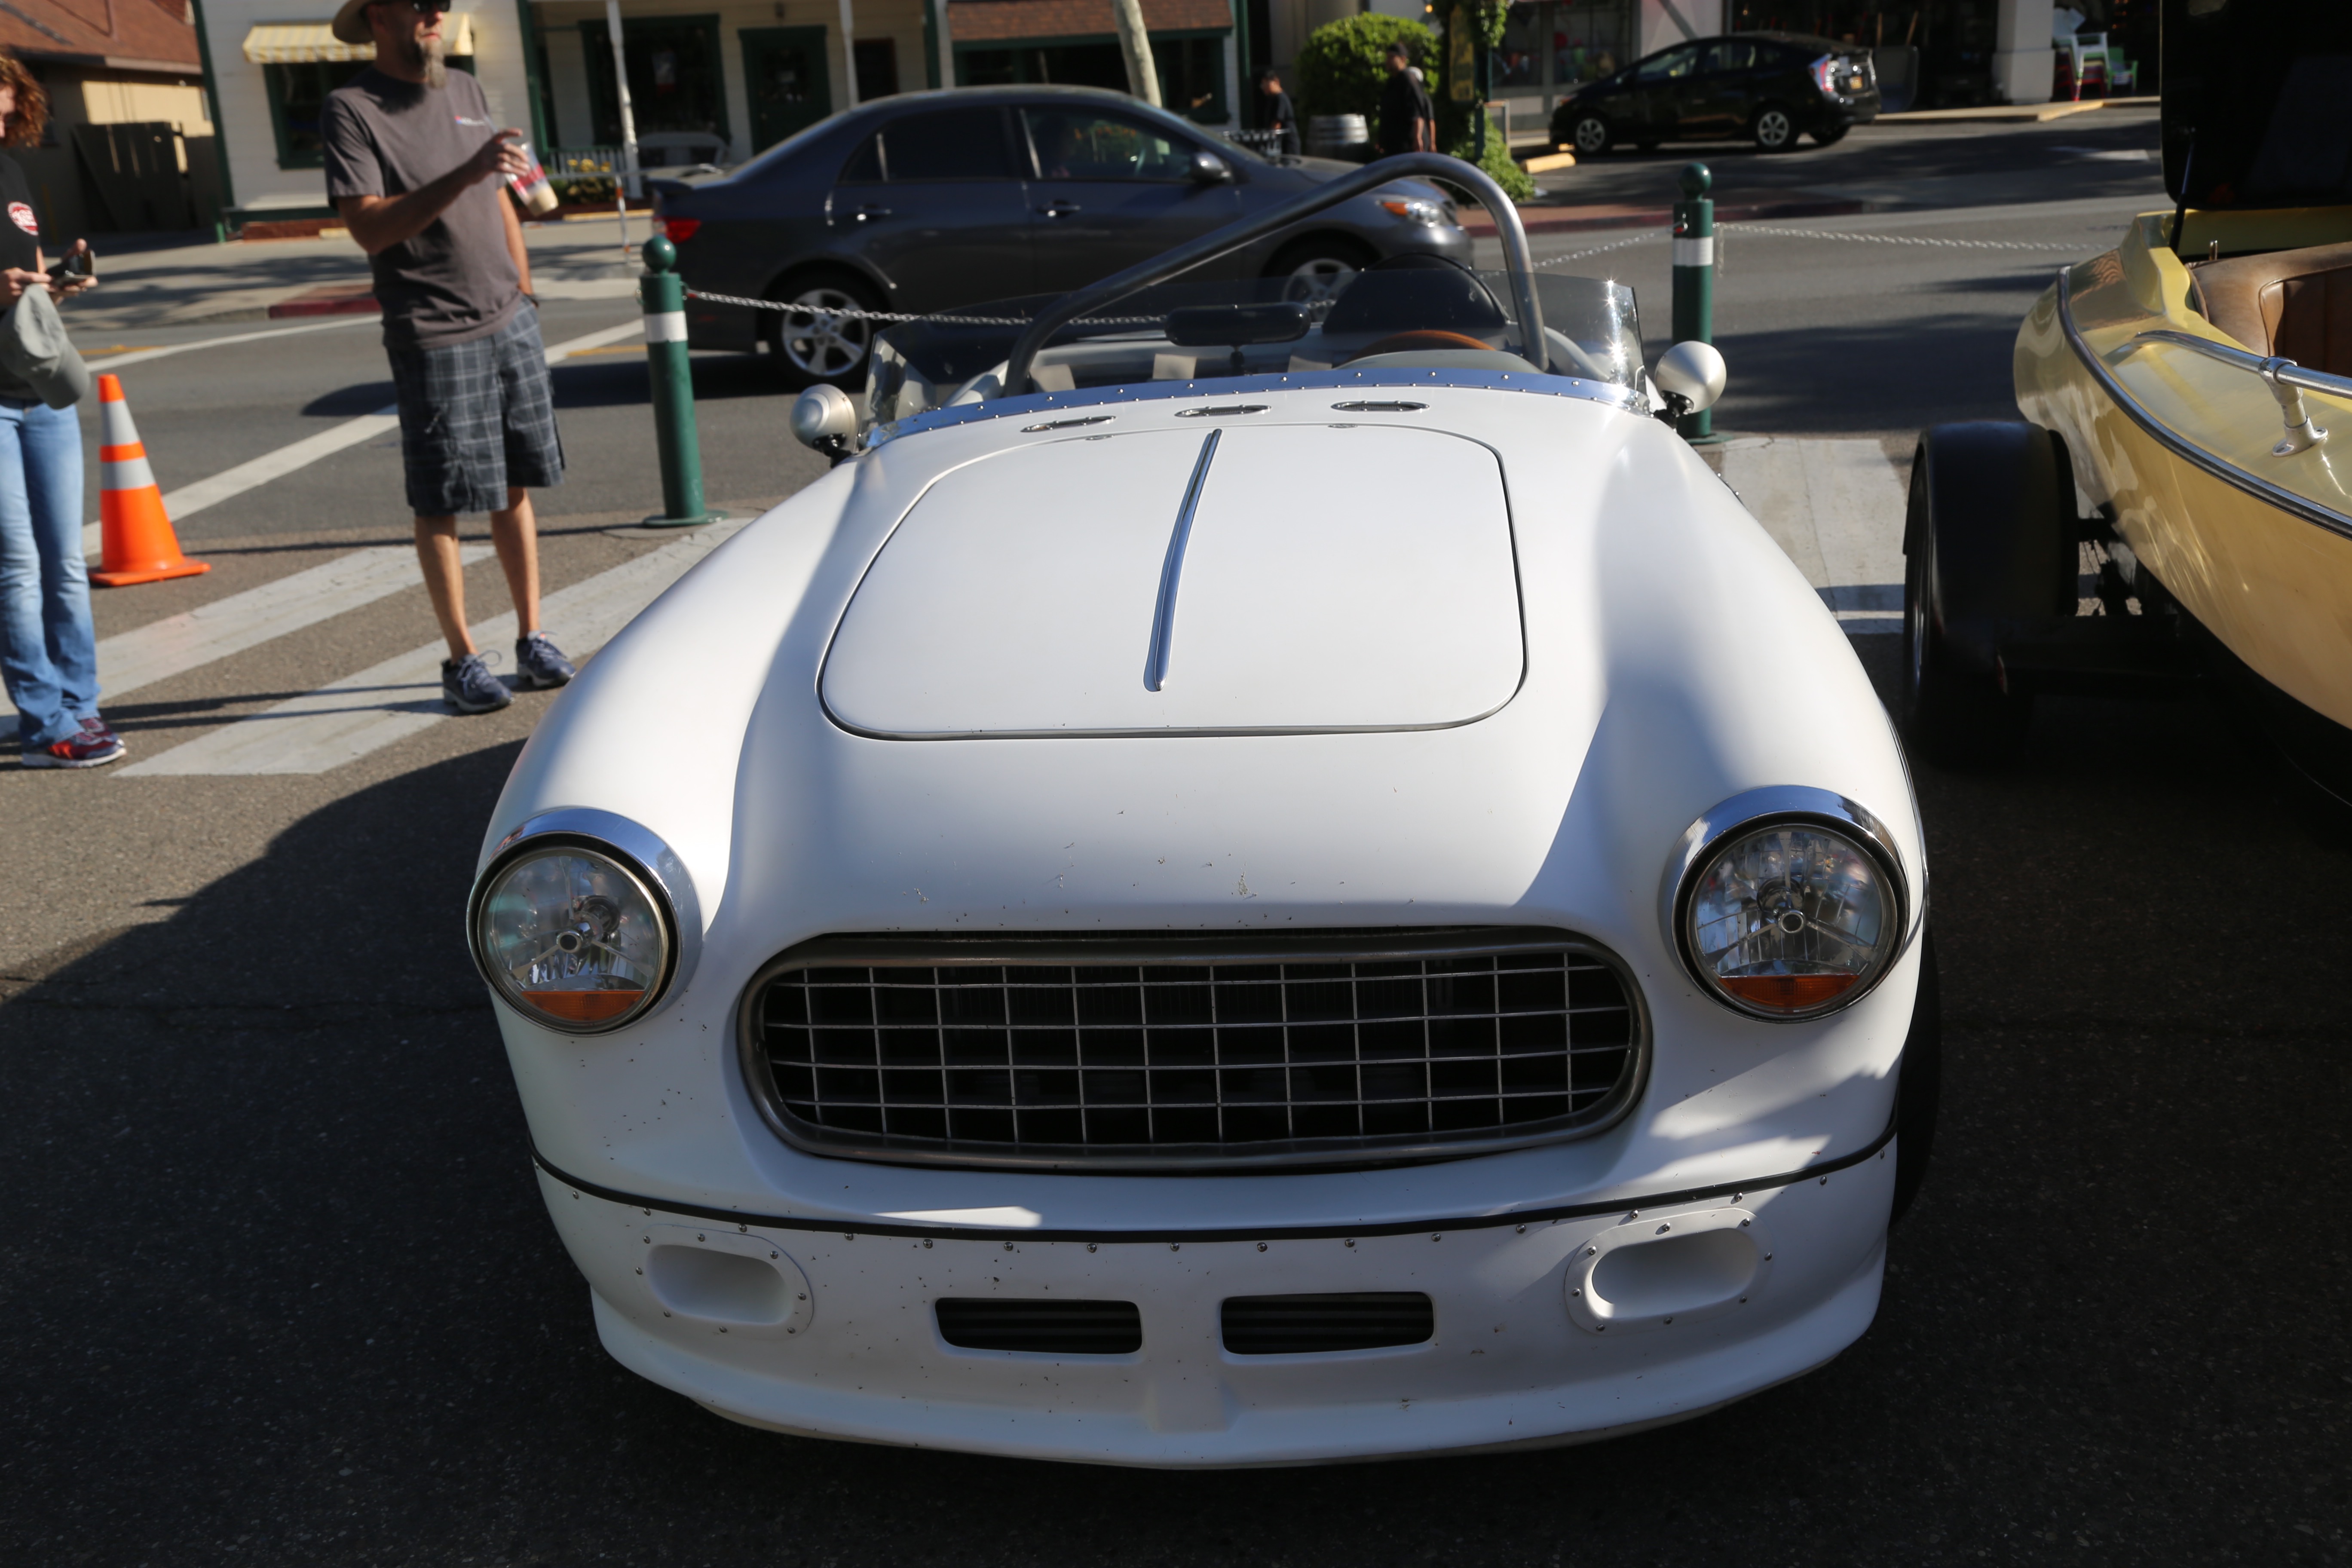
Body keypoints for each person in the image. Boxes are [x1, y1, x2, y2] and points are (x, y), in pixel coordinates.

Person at [321, 0, 574, 715]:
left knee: (514, 483)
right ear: (379, 16)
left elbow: (500, 197)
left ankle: (532, 638)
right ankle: (461, 659)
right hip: (434, 328)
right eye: (421, 2)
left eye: (443, 2)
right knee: (442, 500)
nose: (437, 12)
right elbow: (370, 228)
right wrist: (465, 172)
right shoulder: (352, 109)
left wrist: (525, 294)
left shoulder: (464, 87)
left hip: (509, 318)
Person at [0, 50, 112, 769]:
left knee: (65, 562)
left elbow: (25, 275)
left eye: (5, 104)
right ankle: (45, 724)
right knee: (16, 568)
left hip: (36, 389)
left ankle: (81, 704)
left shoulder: (11, 171)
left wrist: (54, 285)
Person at [1376, 42, 1436, 159]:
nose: (1388, 61)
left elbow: (1418, 114)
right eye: (1387, 57)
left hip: (1408, 147)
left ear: (1403, 59)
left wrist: (1418, 137)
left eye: (1392, 57)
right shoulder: (1392, 82)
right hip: (1394, 147)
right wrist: (1382, 139)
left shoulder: (1408, 80)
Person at [1258, 68, 1299, 157]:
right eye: (1263, 84)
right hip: (1281, 144)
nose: (1264, 87)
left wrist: (1270, 140)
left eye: (1266, 83)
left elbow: (1277, 123)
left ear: (1276, 82)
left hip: (1288, 144)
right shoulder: (1272, 99)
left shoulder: (1281, 98)